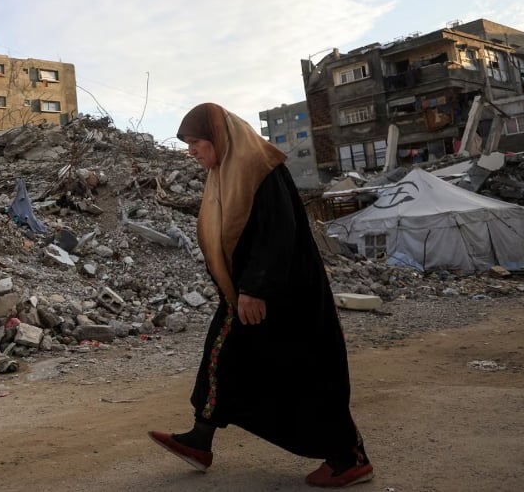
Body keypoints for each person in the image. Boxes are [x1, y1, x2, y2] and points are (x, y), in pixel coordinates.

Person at [148, 103, 373, 488]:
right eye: (188, 144)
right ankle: (200, 438)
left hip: (284, 298)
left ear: (219, 138)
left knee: (305, 372)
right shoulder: (225, 173)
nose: (191, 151)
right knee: (225, 357)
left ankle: (349, 458)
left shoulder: (261, 170)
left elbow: (277, 234)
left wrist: (255, 288)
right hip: (249, 294)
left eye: (196, 142)